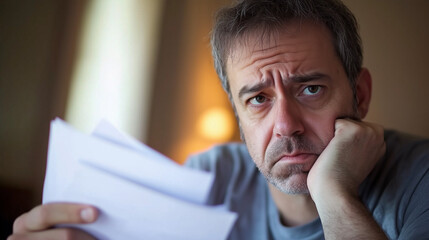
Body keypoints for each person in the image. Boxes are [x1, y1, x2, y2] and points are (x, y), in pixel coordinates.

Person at [8, 0, 429, 239]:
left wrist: (333, 191)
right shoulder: (211, 179)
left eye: (310, 89)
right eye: (259, 99)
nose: (286, 124)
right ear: (238, 116)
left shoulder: (420, 179)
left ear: (360, 94)